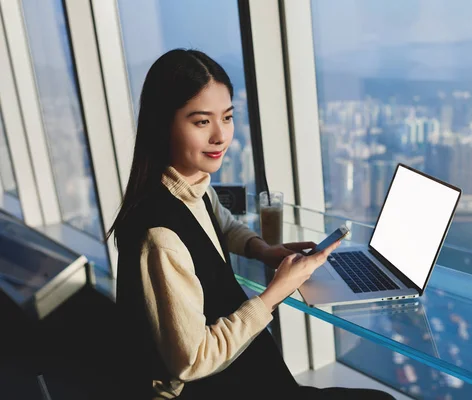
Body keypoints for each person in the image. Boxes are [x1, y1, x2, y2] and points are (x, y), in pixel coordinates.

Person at [107, 49, 394, 400]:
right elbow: (192, 361)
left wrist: (263, 250)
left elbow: (221, 223)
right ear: (162, 124)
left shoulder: (190, 187)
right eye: (201, 122)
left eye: (226, 118)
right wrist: (275, 292)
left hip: (242, 375)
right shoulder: (160, 236)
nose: (220, 136)